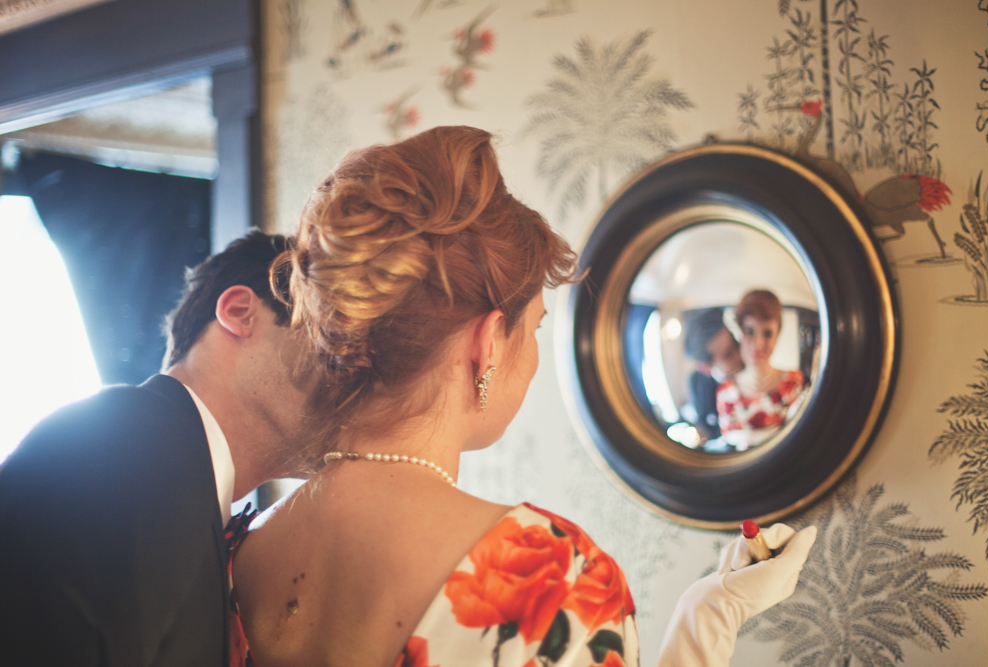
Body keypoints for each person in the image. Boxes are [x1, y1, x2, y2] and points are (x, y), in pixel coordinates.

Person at [228, 127, 816, 667]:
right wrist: (712, 622)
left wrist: (707, 609)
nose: (532, 358)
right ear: (488, 343)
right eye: (533, 328)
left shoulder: (236, 550)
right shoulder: (552, 580)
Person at [0, 231, 321, 666]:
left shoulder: (173, 471)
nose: (356, 367)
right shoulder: (123, 442)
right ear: (240, 312)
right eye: (332, 334)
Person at [716, 289, 806, 451]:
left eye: (768, 333)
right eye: (750, 331)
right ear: (740, 332)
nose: (758, 344)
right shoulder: (726, 392)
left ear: (777, 336)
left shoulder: (792, 381)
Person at [682, 308, 744, 441]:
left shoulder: (752, 366)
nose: (739, 353)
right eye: (728, 355)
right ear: (706, 367)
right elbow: (704, 426)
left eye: (735, 342)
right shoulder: (697, 382)